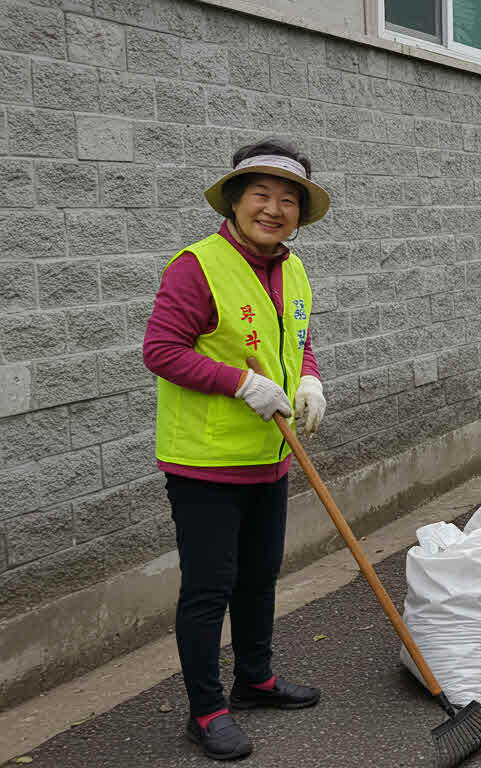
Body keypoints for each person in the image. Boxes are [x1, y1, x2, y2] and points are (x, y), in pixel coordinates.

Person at [143, 138, 329, 760]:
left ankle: (255, 679)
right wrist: (240, 383)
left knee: (259, 576)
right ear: (234, 200)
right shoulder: (196, 266)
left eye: (288, 200)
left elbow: (297, 338)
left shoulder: (293, 268)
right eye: (260, 195)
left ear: (299, 213)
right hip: (205, 462)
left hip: (269, 456)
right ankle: (206, 710)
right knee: (209, 589)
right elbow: (161, 350)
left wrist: (308, 378)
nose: (273, 209)